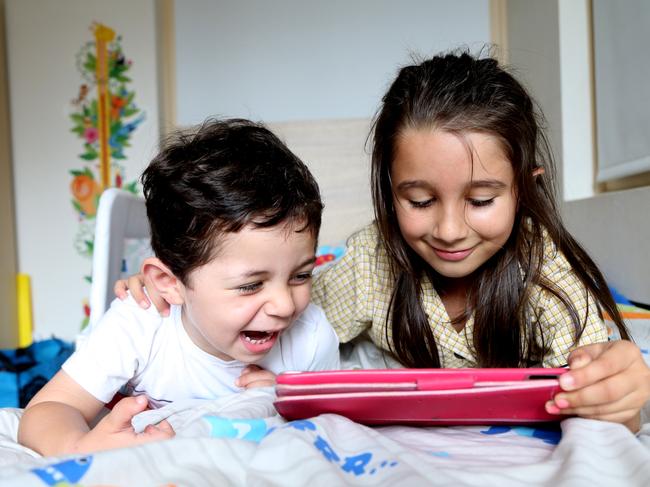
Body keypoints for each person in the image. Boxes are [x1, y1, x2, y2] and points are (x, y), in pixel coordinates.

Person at [116, 52, 650, 432]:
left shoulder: (548, 281)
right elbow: (279, 319)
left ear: (525, 190)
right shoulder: (374, 258)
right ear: (388, 193)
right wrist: (180, 300)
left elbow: (603, 406)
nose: (447, 230)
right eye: (419, 201)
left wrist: (620, 396)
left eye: (481, 200)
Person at [18, 118, 340, 456]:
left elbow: (337, 426)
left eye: (300, 275)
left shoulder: (310, 337)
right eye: (251, 285)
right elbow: (47, 410)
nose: (285, 305)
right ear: (169, 284)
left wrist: (291, 404)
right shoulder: (142, 320)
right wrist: (79, 445)